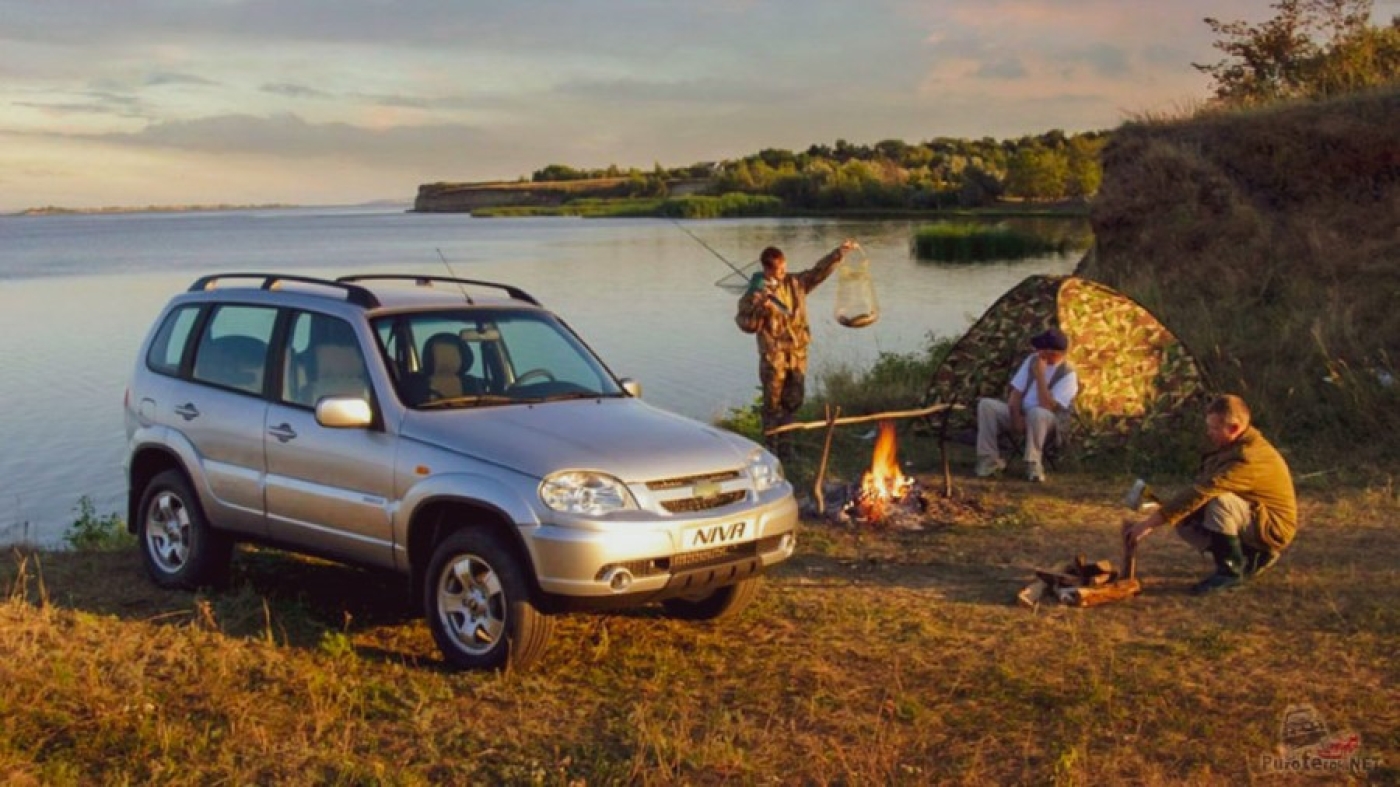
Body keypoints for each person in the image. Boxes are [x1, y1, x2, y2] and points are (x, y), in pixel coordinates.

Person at [1122, 394, 1298, 595]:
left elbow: (1204, 491)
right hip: (1253, 517)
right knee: (1184, 517)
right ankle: (1251, 556)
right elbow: (1196, 491)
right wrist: (1165, 509)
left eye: (1214, 428)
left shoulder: (1248, 458)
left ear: (1233, 428)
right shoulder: (1232, 447)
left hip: (1272, 527)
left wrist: (1148, 524)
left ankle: (1230, 572)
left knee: (1220, 503)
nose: (1209, 433)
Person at [736, 240, 856, 456]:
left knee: (793, 402)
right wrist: (760, 308)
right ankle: (770, 451)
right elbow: (746, 325)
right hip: (774, 357)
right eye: (778, 270)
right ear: (766, 269)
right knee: (772, 405)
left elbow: (819, 272)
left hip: (798, 354)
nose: (783, 272)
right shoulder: (753, 294)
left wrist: (839, 253)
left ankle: (788, 448)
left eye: (784, 267)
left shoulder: (796, 283)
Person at [975, 327, 1079, 482]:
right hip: (1023, 414)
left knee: (1037, 413)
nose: (1038, 352)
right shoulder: (1032, 360)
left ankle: (1033, 464)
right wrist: (1016, 415)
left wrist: (1040, 376)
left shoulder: (1068, 375)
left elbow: (1048, 406)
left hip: (1047, 422)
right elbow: (1016, 393)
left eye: (1042, 349)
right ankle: (988, 460)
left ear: (1054, 353)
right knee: (986, 405)